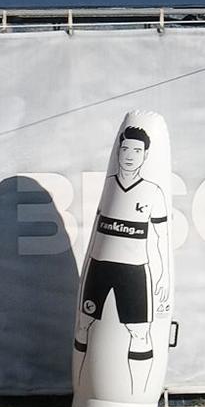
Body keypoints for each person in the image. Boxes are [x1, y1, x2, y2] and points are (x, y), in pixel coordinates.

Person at [72, 125, 172, 392]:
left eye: (136, 150)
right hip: (100, 267)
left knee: (140, 332)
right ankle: (82, 392)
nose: (129, 155)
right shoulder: (108, 186)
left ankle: (137, 397)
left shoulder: (153, 192)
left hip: (135, 271)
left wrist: (163, 276)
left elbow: (161, 238)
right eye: (125, 148)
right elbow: (96, 230)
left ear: (146, 154)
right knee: (84, 325)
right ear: (118, 151)